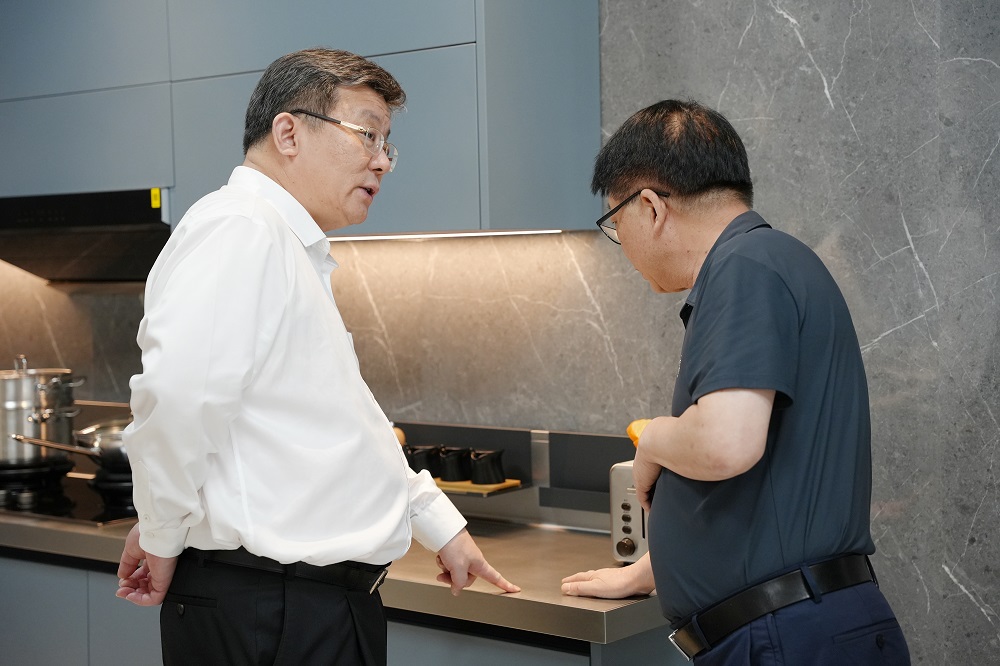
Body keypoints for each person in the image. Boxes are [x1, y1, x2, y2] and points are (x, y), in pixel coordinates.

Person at [115, 48, 519, 666]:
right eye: (367, 135)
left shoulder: (286, 246)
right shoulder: (240, 229)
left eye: (387, 144)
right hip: (271, 609)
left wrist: (438, 524)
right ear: (288, 133)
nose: (382, 161)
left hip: (305, 607)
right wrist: (163, 534)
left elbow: (342, 419)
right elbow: (178, 401)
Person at [561, 100, 909, 665]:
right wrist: (656, 568)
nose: (622, 246)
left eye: (615, 224)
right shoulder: (769, 262)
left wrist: (652, 439)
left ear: (650, 207)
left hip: (786, 636)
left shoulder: (744, 266)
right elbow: (772, 482)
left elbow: (726, 443)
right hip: (794, 627)